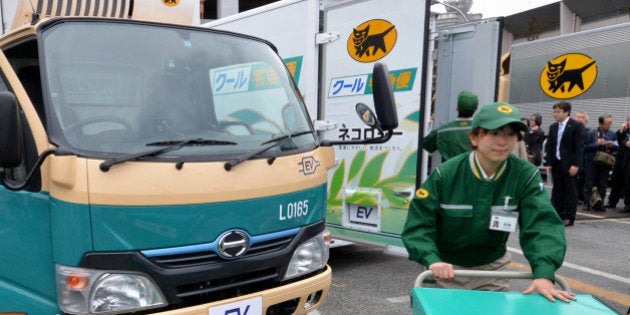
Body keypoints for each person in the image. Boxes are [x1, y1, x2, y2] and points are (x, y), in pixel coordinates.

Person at [402, 102, 575, 303]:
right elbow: (419, 224)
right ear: (475, 137)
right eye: (494, 133)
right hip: (444, 271)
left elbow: (542, 223)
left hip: (493, 271)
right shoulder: (445, 175)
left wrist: (544, 273)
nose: (503, 141)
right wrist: (431, 260)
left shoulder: (524, 175)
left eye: (511, 134)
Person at [545, 101, 586, 226]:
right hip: (557, 163)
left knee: (570, 191)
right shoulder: (553, 127)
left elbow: (579, 147)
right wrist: (549, 163)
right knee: (557, 191)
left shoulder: (576, 126)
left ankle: (569, 217)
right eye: (554, 111)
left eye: (558, 112)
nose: (555, 114)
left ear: (566, 112)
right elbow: (550, 146)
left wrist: (576, 164)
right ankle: (557, 215)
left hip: (570, 164)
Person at [423, 90, 478, 162]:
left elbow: (426, 144)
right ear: (476, 109)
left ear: (457, 108)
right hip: (472, 172)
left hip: (449, 172)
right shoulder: (481, 131)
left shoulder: (442, 131)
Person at [583, 114, 618, 212]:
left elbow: (617, 147)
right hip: (592, 162)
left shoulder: (612, 134)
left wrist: (611, 145)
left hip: (605, 163)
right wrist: (596, 144)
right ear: (600, 123)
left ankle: (599, 204)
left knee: (602, 185)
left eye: (611, 123)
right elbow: (585, 148)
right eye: (608, 123)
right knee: (588, 184)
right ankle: (587, 203)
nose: (610, 125)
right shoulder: (591, 133)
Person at [606, 115, 630, 210]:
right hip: (621, 159)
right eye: (628, 120)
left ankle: (628, 205)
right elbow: (616, 141)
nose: (628, 122)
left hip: (629, 161)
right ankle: (612, 201)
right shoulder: (624, 131)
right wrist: (621, 131)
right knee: (616, 180)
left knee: (628, 183)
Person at [573, 111, 590, 205]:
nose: (579, 119)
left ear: (586, 120)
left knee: (583, 179)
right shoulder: (569, 130)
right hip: (572, 159)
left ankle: (581, 197)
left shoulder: (589, 132)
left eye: (582, 117)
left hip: (585, 159)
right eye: (577, 117)